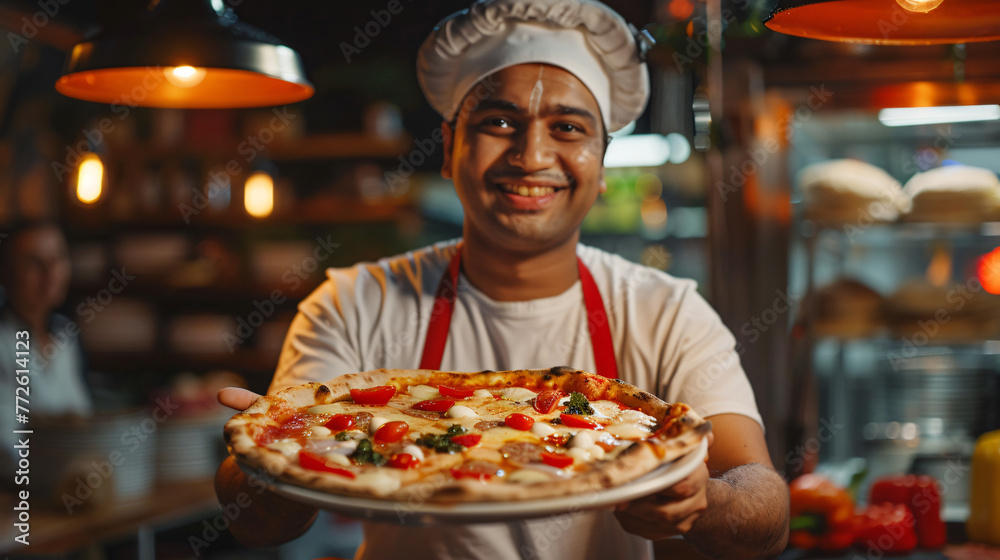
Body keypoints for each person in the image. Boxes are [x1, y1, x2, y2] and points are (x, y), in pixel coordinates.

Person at [215, 1, 790, 558]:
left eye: (567, 127)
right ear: (448, 147)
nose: (531, 154)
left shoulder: (667, 311)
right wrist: (270, 456)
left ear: (602, 161)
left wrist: (702, 502)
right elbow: (255, 526)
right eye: (499, 122)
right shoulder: (352, 302)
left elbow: (765, 512)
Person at [0, 220, 93, 476]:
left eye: (58, 259)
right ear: (6, 273)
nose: (51, 272)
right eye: (33, 262)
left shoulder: (66, 335)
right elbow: (7, 443)